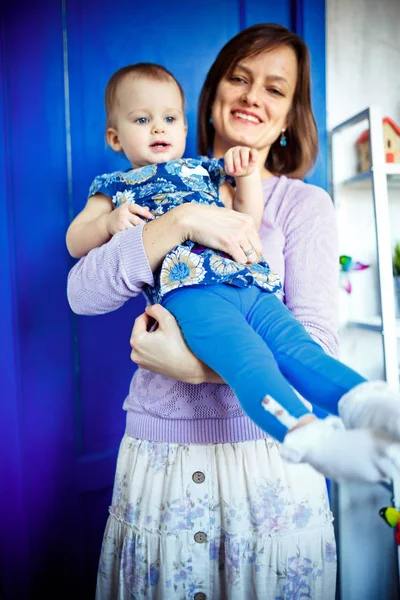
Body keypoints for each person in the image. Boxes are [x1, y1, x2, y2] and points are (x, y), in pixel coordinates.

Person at [67, 24, 400, 600]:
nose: (252, 96)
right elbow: (82, 293)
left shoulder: (299, 204)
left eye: (275, 88)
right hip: (166, 459)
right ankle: (311, 435)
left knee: (294, 349)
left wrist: (187, 365)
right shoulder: (139, 188)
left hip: (263, 465)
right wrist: (179, 224)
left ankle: (369, 405)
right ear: (213, 94)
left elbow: (313, 337)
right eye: (240, 79)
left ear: (291, 114)